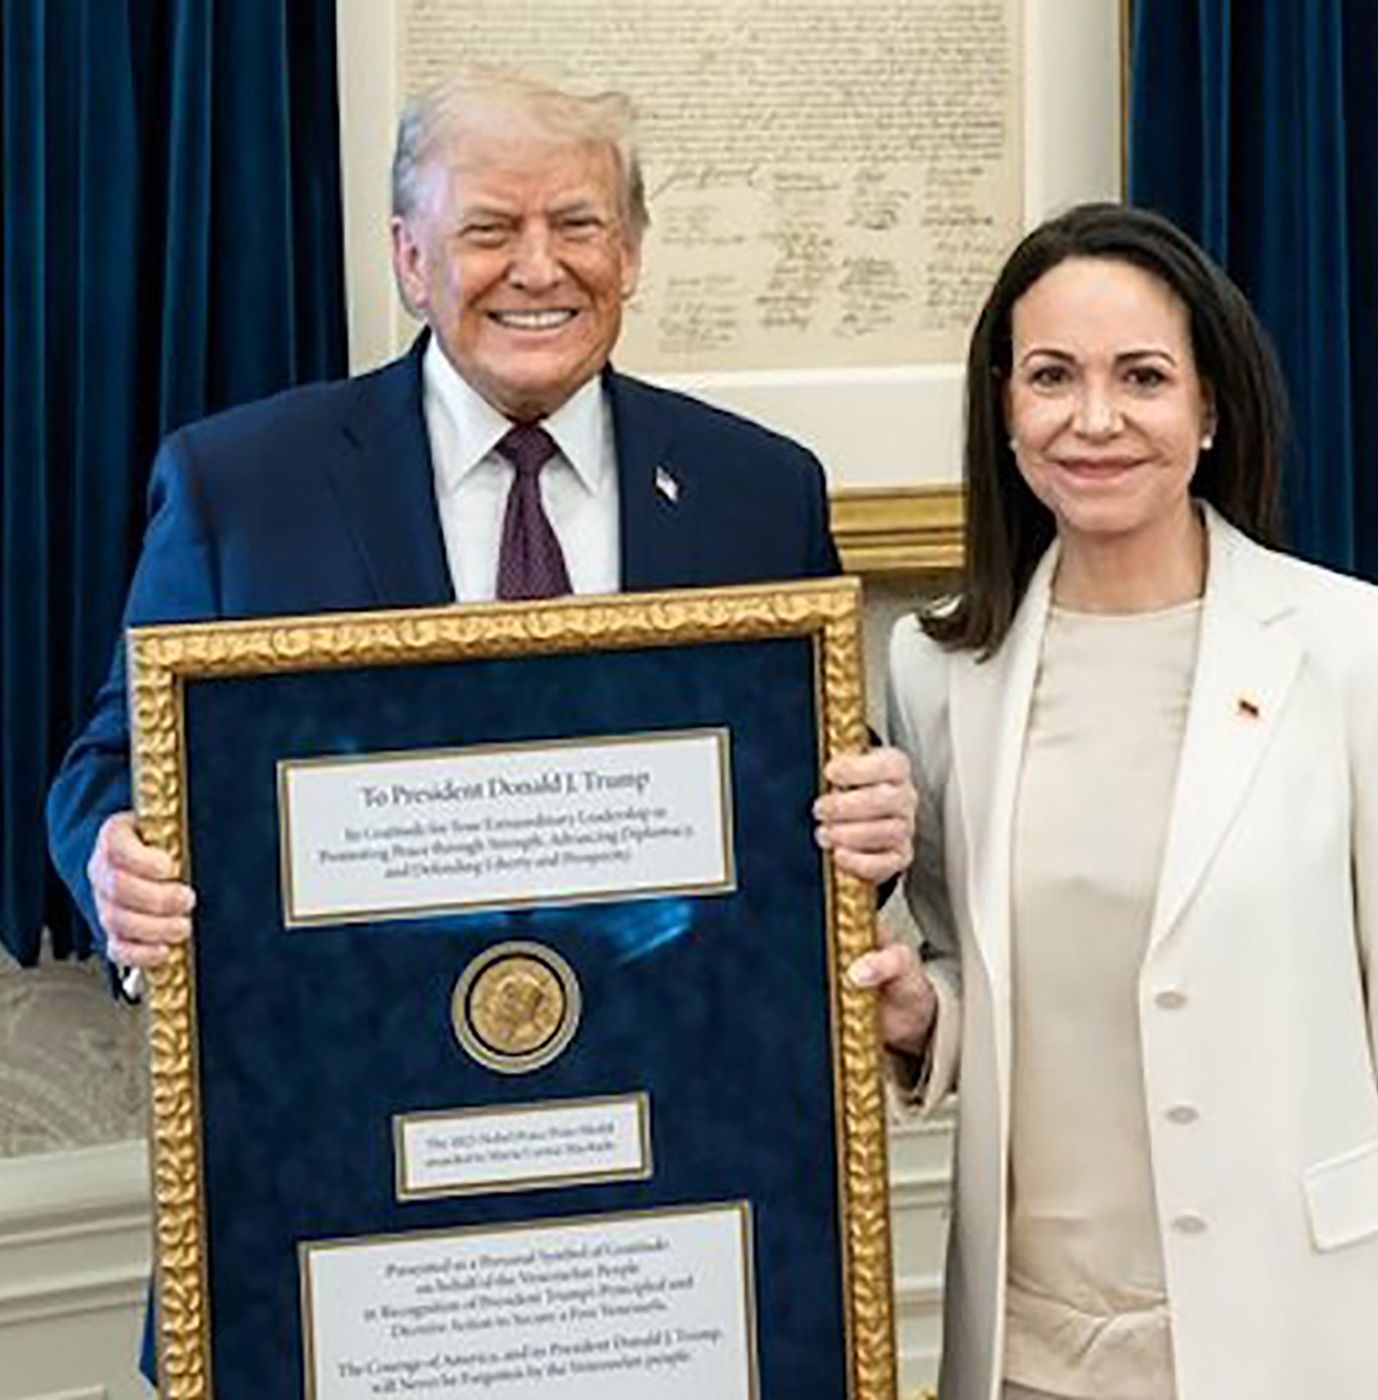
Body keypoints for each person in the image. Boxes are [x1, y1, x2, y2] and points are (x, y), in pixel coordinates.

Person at [47, 68, 914, 978]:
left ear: (631, 253)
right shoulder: (240, 490)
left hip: (676, 1060)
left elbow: (812, 777)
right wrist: (117, 863)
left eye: (578, 226)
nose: (539, 269)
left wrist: (873, 815)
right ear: (411, 259)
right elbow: (114, 763)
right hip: (350, 1066)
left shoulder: (761, 491)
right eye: (489, 230)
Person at [849, 202, 1378, 1400]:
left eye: (1140, 377)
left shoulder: (1360, 650)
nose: (1092, 419)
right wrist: (913, 1014)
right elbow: (967, 969)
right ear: (1002, 409)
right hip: (1029, 1345)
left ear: (1207, 408)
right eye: (1050, 376)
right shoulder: (937, 670)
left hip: (1305, 1329)